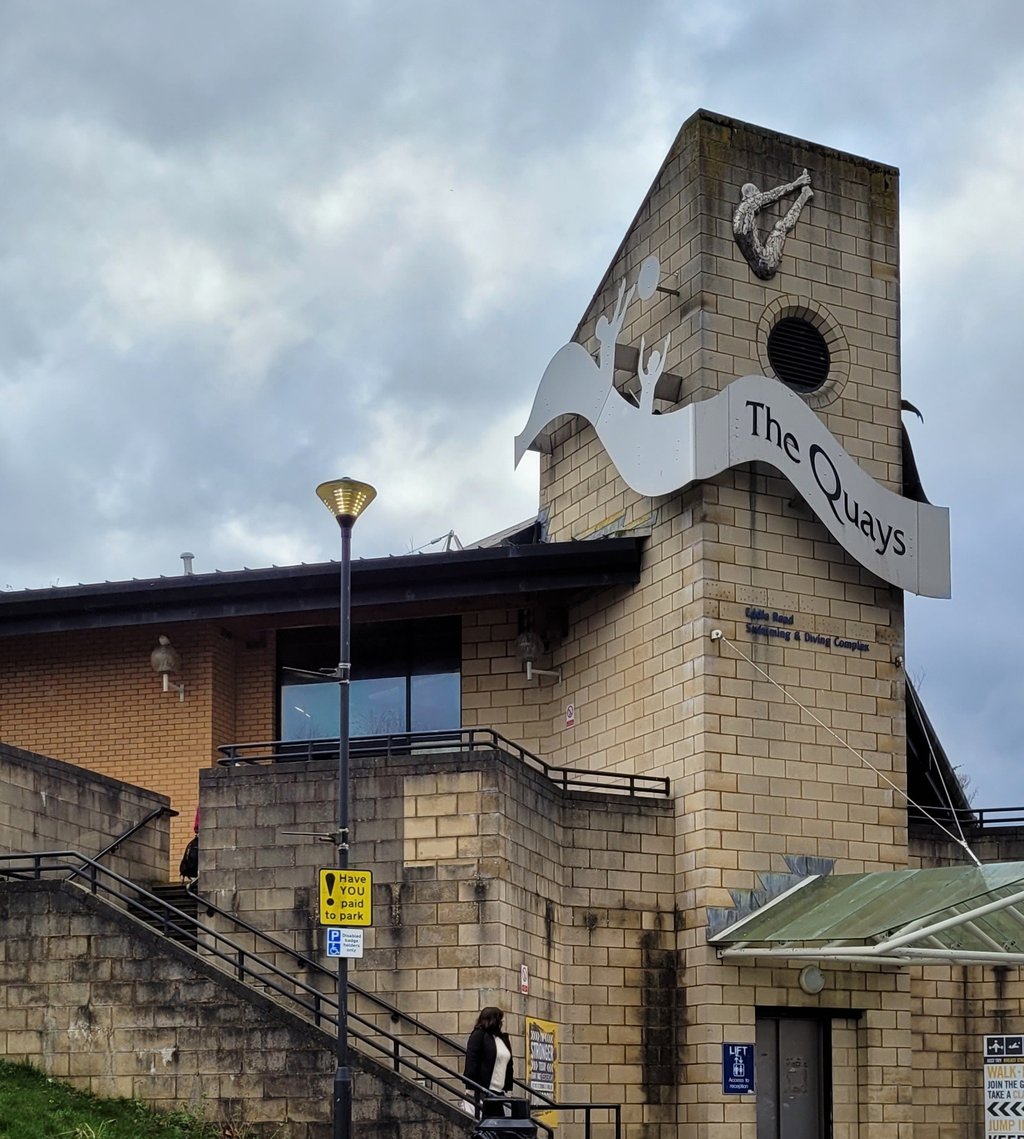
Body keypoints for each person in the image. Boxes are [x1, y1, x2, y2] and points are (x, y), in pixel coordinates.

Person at [463, 1006, 513, 1116]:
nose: (502, 1022)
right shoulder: (479, 1035)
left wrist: (508, 1088)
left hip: (499, 1092)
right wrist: (470, 1087)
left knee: (499, 1126)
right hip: (483, 1090)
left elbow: (509, 1065)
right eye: (500, 1019)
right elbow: (472, 1060)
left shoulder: (502, 1039)